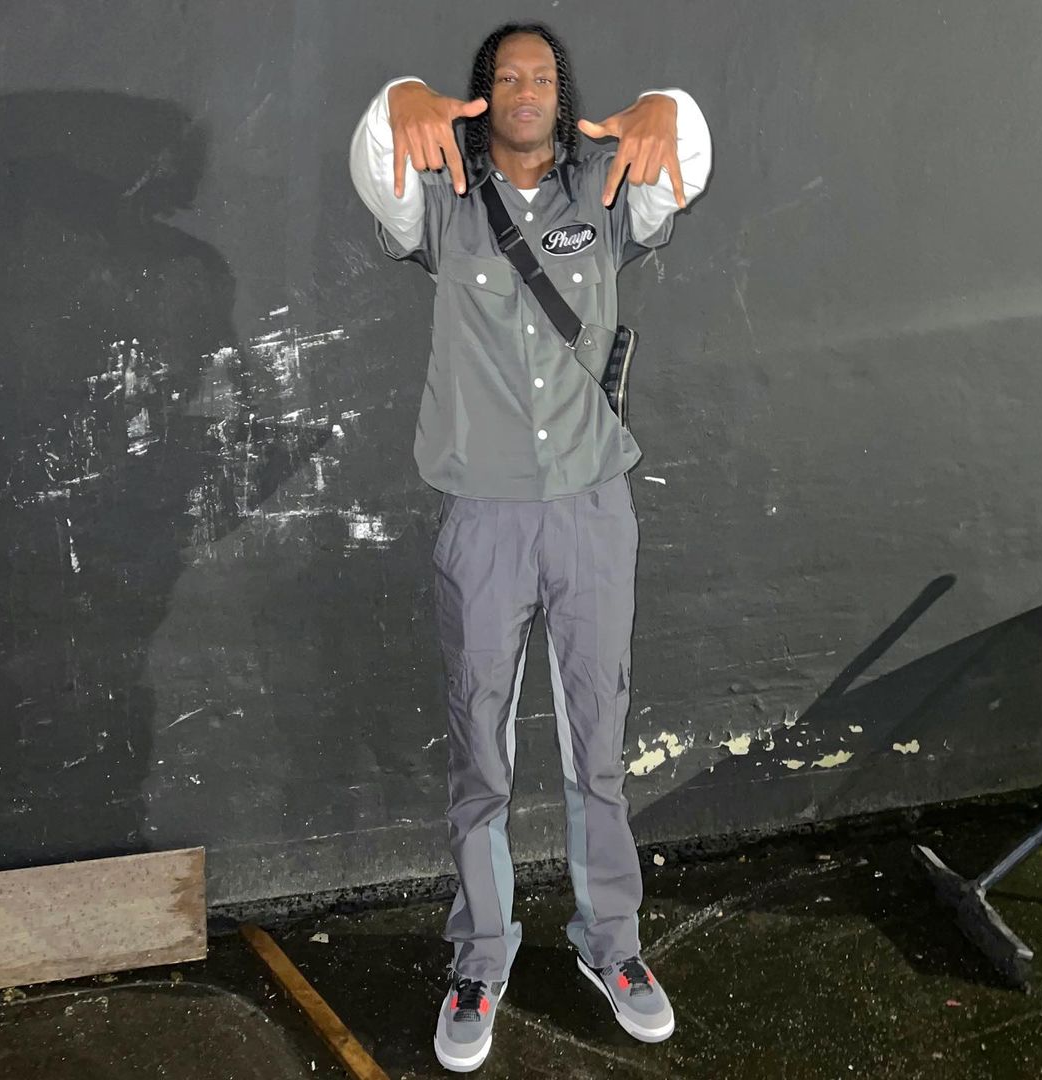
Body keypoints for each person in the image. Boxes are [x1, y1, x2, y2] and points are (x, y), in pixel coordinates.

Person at [350, 21, 711, 1072]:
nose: (525, 88)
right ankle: (480, 958)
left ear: (563, 95)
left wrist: (669, 108)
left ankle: (613, 946)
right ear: (481, 95)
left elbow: (683, 164)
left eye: (542, 75)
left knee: (598, 740)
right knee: (482, 748)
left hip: (594, 509)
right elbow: (377, 165)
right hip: (484, 516)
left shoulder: (606, 193)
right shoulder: (442, 204)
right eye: (506, 74)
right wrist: (398, 91)